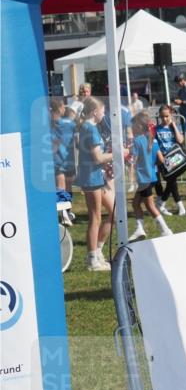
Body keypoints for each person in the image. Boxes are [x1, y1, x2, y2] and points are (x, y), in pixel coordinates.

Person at [76, 98, 116, 270]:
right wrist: (117, 153)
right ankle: (92, 260)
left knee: (115, 211)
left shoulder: (89, 127)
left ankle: (98, 251)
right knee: (95, 218)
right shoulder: (90, 128)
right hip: (91, 178)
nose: (104, 114)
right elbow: (97, 157)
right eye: (103, 111)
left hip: (96, 176)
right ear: (95, 112)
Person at [128, 112, 173, 240]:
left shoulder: (137, 141)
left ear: (139, 126)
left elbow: (133, 160)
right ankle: (140, 229)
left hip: (144, 179)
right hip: (152, 177)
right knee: (136, 203)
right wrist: (151, 163)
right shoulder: (153, 140)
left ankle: (165, 230)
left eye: (133, 125)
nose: (131, 128)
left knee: (150, 206)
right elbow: (161, 159)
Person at [154, 105, 186, 215]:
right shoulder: (156, 129)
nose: (164, 119)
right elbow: (154, 144)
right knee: (167, 181)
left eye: (167, 116)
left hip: (174, 157)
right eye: (162, 117)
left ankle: (162, 204)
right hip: (161, 158)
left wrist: (174, 126)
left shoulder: (174, 127)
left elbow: (180, 140)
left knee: (172, 181)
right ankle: (176, 206)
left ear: (171, 115)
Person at [50, 98, 77, 226]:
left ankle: (66, 213)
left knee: (62, 187)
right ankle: (65, 214)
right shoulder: (69, 123)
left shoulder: (49, 123)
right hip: (66, 159)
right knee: (65, 187)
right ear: (60, 108)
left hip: (59, 159)